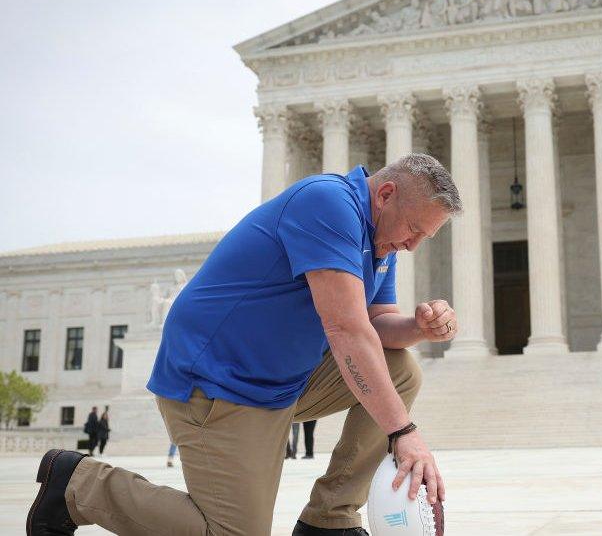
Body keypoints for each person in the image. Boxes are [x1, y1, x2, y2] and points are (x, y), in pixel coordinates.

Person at [29, 154, 459, 536]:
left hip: (280, 382)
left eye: (426, 238)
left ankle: (329, 520)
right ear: (385, 194)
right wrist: (403, 432)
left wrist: (419, 328)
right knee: (231, 532)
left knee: (402, 368)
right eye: (414, 230)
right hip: (216, 382)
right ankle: (76, 484)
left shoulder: (382, 242)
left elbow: (377, 324)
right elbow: (346, 329)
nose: (413, 245)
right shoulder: (329, 204)